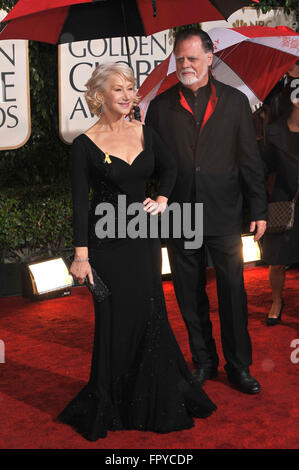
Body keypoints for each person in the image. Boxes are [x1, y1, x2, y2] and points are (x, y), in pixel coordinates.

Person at [57, 62, 216, 441]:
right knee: (113, 319)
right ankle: (113, 399)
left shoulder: (145, 132)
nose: (128, 95)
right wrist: (81, 255)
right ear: (99, 96)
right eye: (118, 89)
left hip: (143, 240)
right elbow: (80, 203)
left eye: (130, 88)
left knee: (150, 313)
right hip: (106, 245)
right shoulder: (84, 144)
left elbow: (172, 167)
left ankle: (151, 395)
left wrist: (161, 199)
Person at [146, 28, 268, 395]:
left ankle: (239, 366)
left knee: (233, 291)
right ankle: (204, 361)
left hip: (224, 212)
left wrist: (259, 208)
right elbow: (152, 164)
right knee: (188, 292)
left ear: (210, 57)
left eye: (192, 58)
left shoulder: (234, 102)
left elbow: (250, 160)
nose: (185, 65)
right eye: (179, 59)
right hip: (180, 215)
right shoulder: (160, 107)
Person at [262, 89, 299, 326]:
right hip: (285, 200)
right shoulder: (274, 131)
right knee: (277, 259)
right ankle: (277, 301)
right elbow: (264, 167)